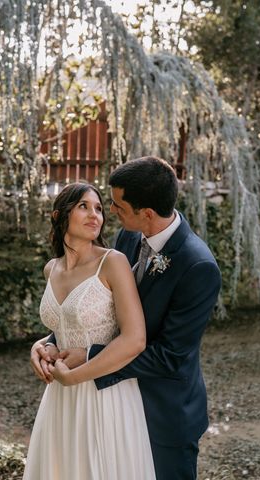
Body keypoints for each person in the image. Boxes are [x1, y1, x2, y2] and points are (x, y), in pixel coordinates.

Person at [31, 156, 222, 480]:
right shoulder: (130, 238)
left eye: (116, 207)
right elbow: (103, 311)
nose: (109, 214)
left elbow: (170, 356)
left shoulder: (197, 265)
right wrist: (51, 342)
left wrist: (87, 359)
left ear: (145, 212)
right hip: (107, 401)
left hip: (163, 410)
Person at [23, 182, 156, 479]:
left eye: (98, 208)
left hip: (105, 392)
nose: (94, 214)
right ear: (59, 216)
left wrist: (73, 378)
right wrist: (40, 346)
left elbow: (135, 338)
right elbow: (64, 327)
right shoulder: (51, 268)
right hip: (60, 395)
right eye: (83, 206)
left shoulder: (112, 263)